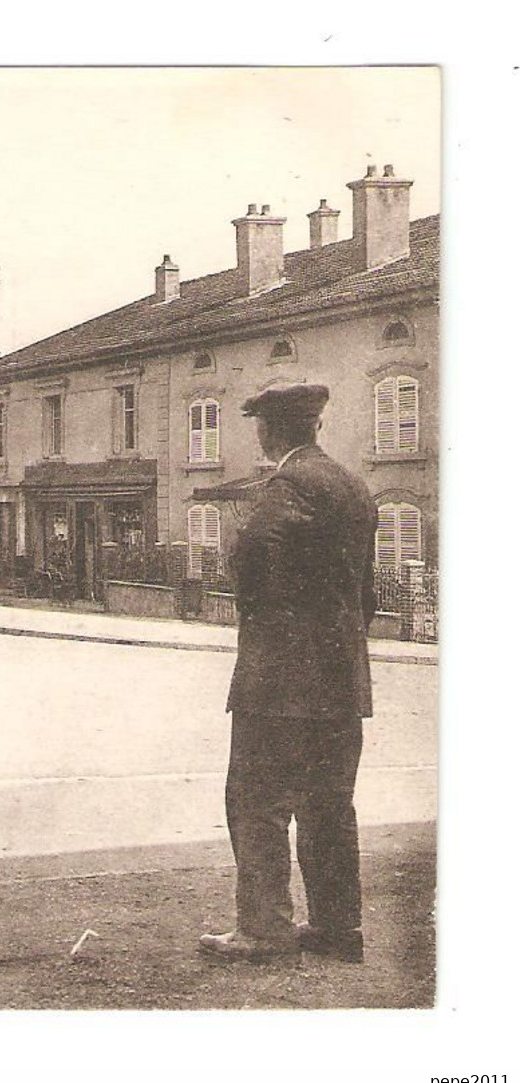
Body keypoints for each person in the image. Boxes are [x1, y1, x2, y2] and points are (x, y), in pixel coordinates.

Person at [198, 383, 377, 964]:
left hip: (279, 681)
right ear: (315, 426)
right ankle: (336, 927)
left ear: (268, 431)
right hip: (342, 679)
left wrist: (268, 615)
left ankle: (264, 930)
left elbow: (249, 558)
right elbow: (365, 592)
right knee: (330, 806)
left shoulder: (288, 484)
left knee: (258, 803)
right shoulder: (353, 487)